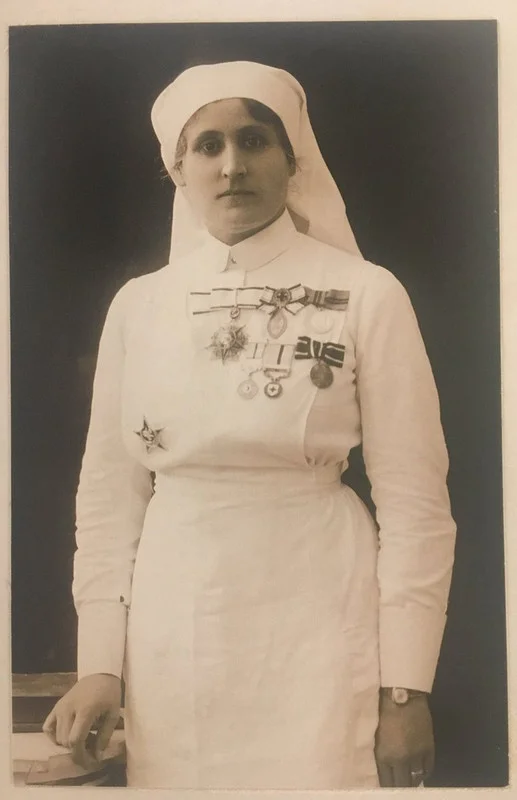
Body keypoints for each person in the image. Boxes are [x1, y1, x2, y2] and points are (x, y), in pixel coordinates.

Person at [43, 60, 456, 789]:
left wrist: (404, 689)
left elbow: (416, 505)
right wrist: (100, 663)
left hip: (321, 616)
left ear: (292, 161)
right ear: (178, 169)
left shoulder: (366, 293)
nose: (232, 164)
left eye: (255, 141)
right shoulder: (138, 306)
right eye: (208, 146)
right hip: (175, 627)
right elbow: (108, 500)